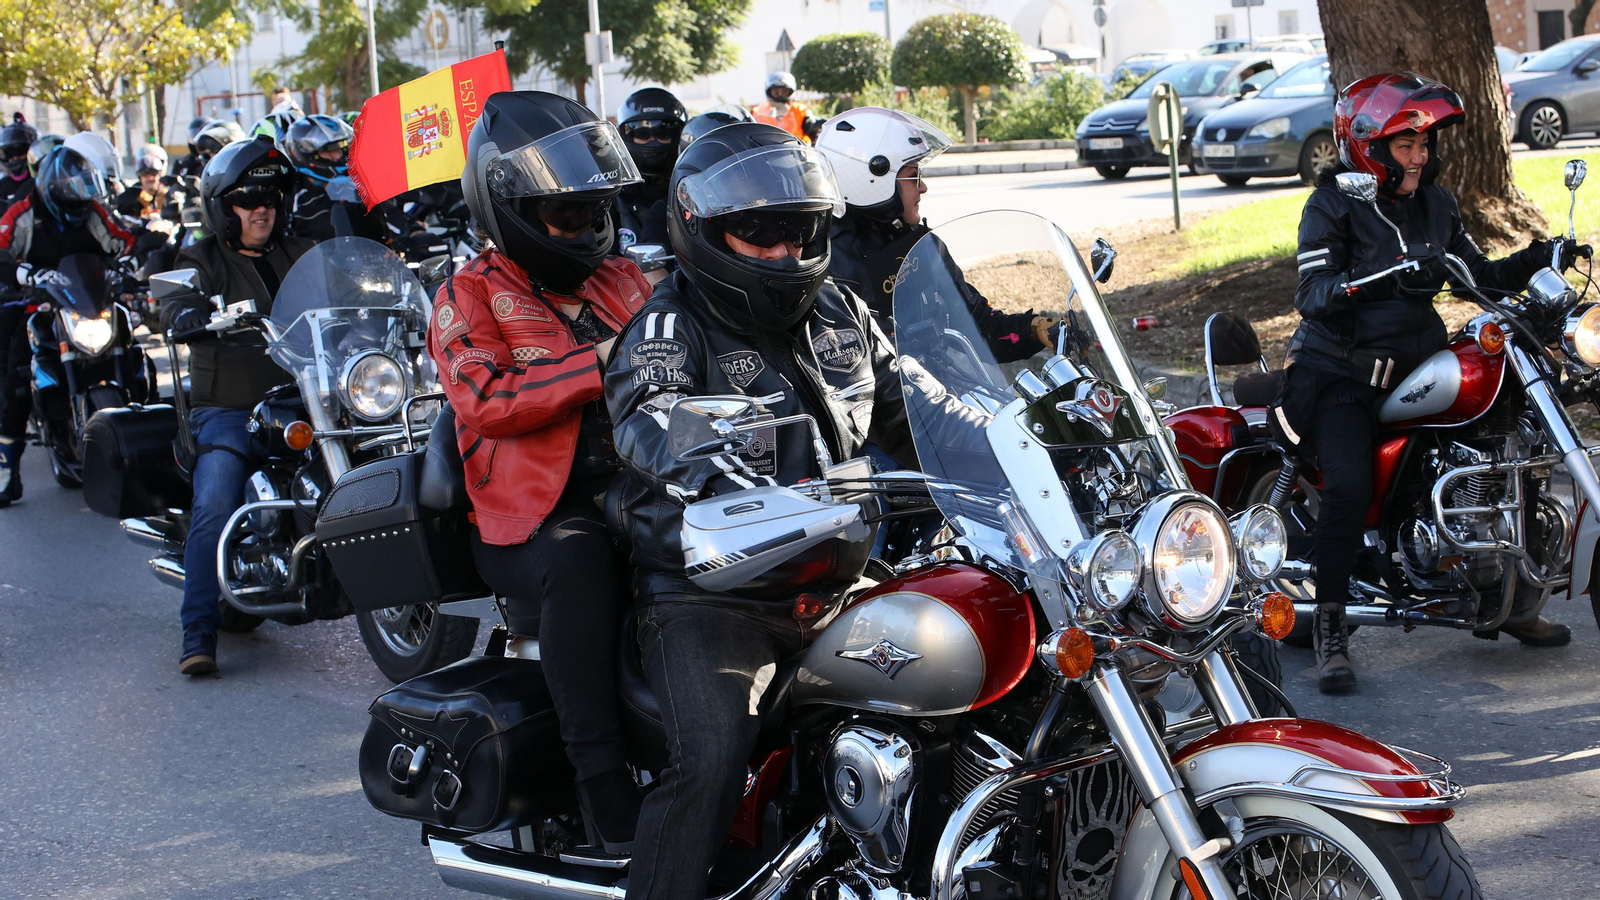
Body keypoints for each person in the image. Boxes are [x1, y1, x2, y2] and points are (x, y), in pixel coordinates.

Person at [605, 122, 920, 900]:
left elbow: (921, 405)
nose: (784, 253)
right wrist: (720, 471)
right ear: (703, 231)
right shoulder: (668, 328)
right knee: (710, 757)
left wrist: (1031, 431)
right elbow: (653, 417)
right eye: (760, 233)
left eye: (800, 232)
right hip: (714, 597)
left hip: (837, 573)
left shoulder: (840, 311)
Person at [1285, 73, 1583, 693]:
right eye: (1406, 145)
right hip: (1342, 374)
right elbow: (1313, 294)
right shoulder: (1331, 204)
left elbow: (1478, 276)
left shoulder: (1436, 203)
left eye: (1425, 145)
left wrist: (1541, 256)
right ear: (1370, 146)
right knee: (1348, 486)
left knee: (1508, 449)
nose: (1420, 157)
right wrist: (1379, 274)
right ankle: (1331, 629)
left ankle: (1511, 599)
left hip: (1417, 370)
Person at [437, 90, 649, 852]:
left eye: (595, 210)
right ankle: (602, 786)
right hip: (533, 517)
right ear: (510, 209)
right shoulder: (469, 293)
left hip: (640, 484)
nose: (586, 227)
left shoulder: (623, 279)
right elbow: (485, 398)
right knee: (581, 559)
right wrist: (597, 364)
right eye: (565, 214)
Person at [160, 135, 312, 675]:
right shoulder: (202, 258)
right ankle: (198, 635)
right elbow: (175, 300)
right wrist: (184, 314)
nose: (261, 209)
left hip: (302, 403)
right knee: (215, 502)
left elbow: (343, 287)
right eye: (247, 200)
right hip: (228, 411)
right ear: (225, 208)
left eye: (269, 198)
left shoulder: (299, 253)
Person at [815, 106, 1055, 362]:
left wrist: (1035, 329)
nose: (923, 187)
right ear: (873, 180)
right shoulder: (823, 261)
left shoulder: (918, 245)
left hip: (933, 386)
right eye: (913, 176)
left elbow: (977, 326)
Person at [0, 147, 134, 506]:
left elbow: (122, 239)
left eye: (83, 193)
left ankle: (153, 439)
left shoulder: (92, 211)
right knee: (16, 381)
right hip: (41, 307)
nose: (79, 201)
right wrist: (23, 273)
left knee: (133, 351)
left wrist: (133, 259)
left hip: (93, 303)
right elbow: (1, 249)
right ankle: (6, 472)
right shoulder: (23, 212)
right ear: (51, 190)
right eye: (70, 194)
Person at [612, 88, 687, 258]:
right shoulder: (613, 195)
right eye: (643, 133)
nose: (653, 142)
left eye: (662, 133)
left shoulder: (688, 190)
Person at [283, 114, 358, 241]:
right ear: (307, 153)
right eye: (329, 149)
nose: (337, 155)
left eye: (339, 147)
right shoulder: (291, 197)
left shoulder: (356, 187)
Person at [750, 72, 824, 143]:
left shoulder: (801, 111)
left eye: (785, 92)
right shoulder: (756, 112)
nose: (780, 95)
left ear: (790, 92)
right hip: (765, 150)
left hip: (796, 150)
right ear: (769, 92)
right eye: (776, 92)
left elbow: (815, 134)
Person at [117, 144, 169, 221]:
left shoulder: (168, 193)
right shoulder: (131, 195)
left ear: (159, 173)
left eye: (153, 172)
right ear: (139, 176)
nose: (150, 177)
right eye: (144, 173)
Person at [1, 114, 37, 209]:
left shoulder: (38, 181)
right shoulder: (2, 185)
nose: (15, 158)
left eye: (19, 151)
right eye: (9, 153)